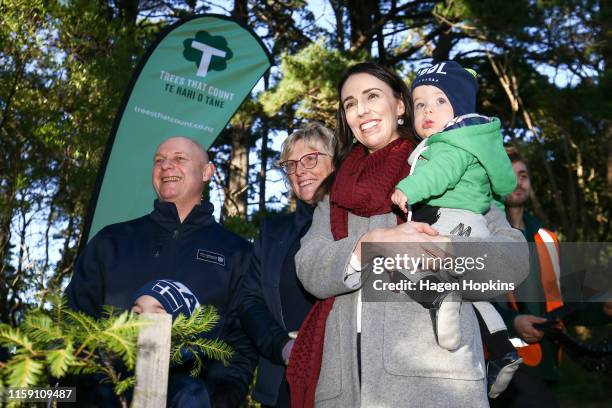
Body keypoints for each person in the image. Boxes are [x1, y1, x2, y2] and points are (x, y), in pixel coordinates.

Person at [286, 62, 529, 408]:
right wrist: (370, 246)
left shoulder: (454, 164)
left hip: (438, 389)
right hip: (344, 393)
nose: (362, 110)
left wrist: (441, 250)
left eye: (372, 96)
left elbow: (513, 260)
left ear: (401, 106)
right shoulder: (335, 190)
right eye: (350, 103)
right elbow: (309, 268)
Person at [65, 136, 256, 408]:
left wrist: (222, 400)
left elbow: (242, 342)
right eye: (159, 160)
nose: (166, 166)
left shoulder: (238, 253)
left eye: (179, 158)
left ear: (207, 172)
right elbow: (75, 320)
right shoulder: (111, 241)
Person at [389, 60, 522, 397]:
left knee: (394, 264)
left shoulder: (451, 143)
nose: (427, 111)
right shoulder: (475, 144)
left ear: (459, 109)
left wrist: (408, 188)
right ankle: (502, 346)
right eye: (420, 104)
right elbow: (496, 194)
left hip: (447, 221)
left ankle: (436, 294)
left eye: (439, 101)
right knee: (475, 297)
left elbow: (440, 173)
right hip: (473, 228)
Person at [491, 148, 612, 408]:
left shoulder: (547, 238)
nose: (518, 181)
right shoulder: (483, 234)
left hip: (546, 365)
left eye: (523, 175)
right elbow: (473, 300)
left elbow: (570, 302)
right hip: (502, 366)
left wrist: (602, 308)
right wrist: (514, 323)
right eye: (509, 175)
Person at [239, 123, 335, 407]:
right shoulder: (273, 233)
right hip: (281, 383)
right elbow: (249, 300)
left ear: (337, 161)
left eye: (310, 159)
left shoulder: (358, 224)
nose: (300, 170)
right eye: (291, 165)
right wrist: (283, 346)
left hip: (342, 380)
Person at [131, 279, 211, 408]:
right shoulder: (116, 377)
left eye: (157, 315)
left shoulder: (188, 394)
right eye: (137, 313)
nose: (143, 323)